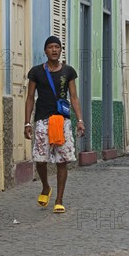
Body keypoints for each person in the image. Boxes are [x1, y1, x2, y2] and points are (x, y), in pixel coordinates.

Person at [25, 36, 85, 214]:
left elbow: (73, 97)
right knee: (40, 159)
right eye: (50, 47)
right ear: (45, 51)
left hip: (62, 120)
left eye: (57, 47)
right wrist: (27, 122)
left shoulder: (69, 72)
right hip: (42, 120)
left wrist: (80, 120)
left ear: (60, 50)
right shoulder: (36, 72)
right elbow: (29, 98)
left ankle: (59, 199)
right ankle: (45, 187)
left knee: (62, 160)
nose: (54, 50)